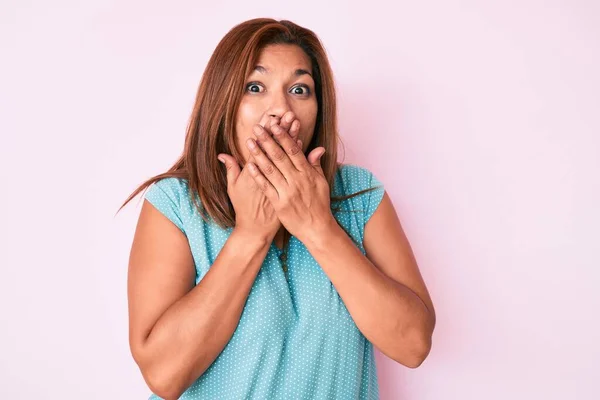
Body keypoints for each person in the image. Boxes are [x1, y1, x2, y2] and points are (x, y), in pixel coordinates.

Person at [119, 18, 436, 400]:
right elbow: (164, 375)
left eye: (300, 89)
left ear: (318, 108)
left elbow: (413, 344)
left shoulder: (359, 195)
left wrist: (319, 227)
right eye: (255, 87)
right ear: (224, 102)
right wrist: (250, 235)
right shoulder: (176, 204)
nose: (280, 109)